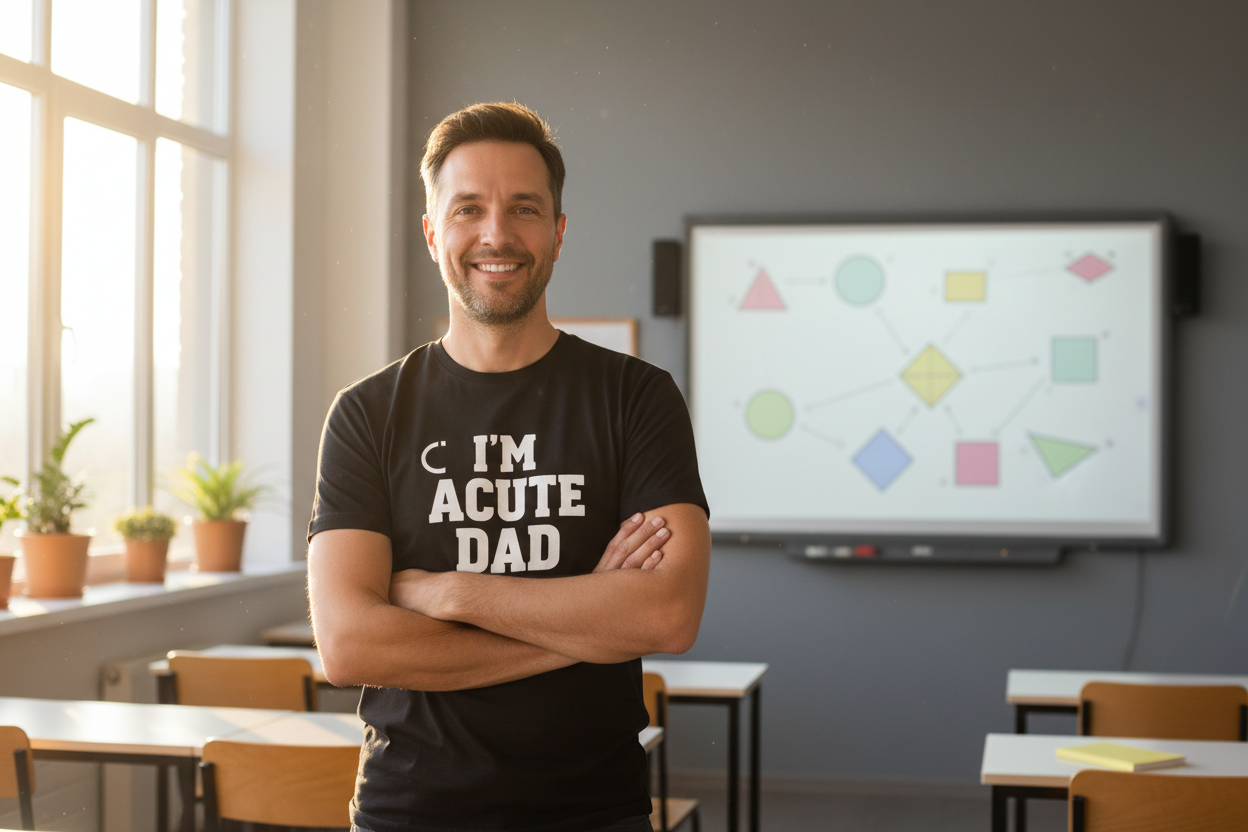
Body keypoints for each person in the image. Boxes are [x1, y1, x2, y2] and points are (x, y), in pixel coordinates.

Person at [307, 101, 711, 832]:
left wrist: (450, 592)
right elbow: (349, 645)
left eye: (524, 208)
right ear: (433, 234)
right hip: (409, 815)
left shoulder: (636, 397)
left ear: (558, 232)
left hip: (594, 814)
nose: (496, 234)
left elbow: (667, 614)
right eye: (468, 209)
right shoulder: (367, 413)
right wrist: (589, 617)